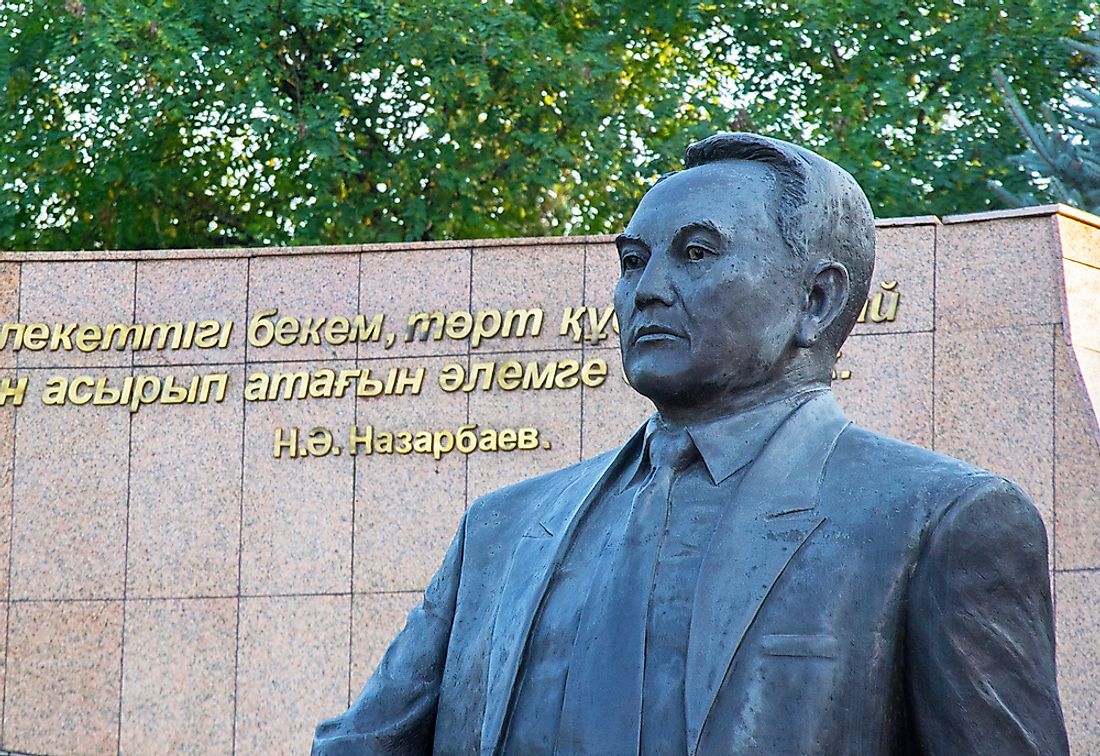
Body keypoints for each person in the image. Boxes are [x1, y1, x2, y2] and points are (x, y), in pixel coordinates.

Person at [312, 133, 1069, 755]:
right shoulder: (503, 530)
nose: (645, 289)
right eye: (634, 261)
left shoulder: (938, 521)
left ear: (817, 299)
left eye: (697, 254)